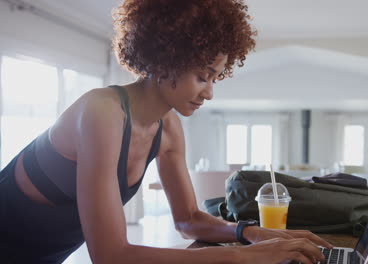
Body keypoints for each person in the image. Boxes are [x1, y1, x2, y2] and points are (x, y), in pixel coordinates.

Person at [0, 0, 333, 263]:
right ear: (166, 59)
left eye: (215, 78)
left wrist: (250, 232)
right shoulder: (102, 112)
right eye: (203, 76)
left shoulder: (169, 128)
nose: (209, 92)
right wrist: (240, 257)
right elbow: (111, 256)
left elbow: (187, 219)